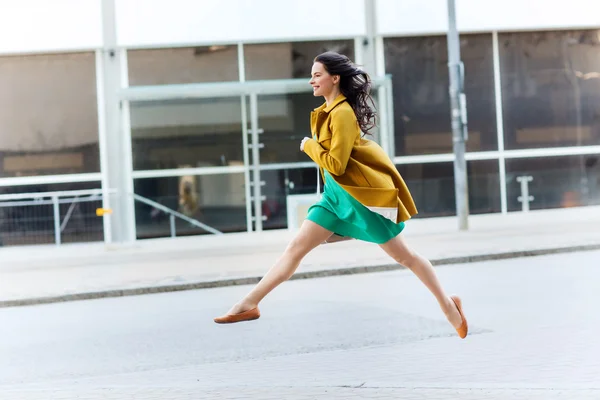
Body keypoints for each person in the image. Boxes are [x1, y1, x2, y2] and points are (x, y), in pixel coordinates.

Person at [214, 51, 468, 339]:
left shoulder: (343, 113)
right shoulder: (324, 112)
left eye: (317, 74)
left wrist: (309, 146)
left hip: (359, 201)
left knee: (406, 257)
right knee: (296, 247)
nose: (312, 80)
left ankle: (449, 307)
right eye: (312, 75)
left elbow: (337, 163)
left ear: (335, 78)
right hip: (334, 199)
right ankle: (248, 304)